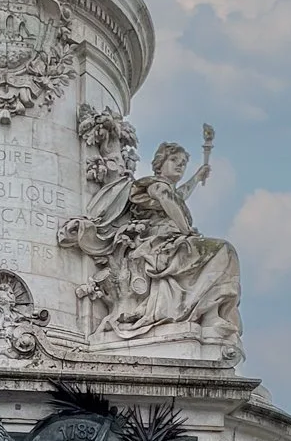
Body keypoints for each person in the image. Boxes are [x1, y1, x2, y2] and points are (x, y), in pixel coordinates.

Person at [60, 140, 242, 351]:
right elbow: (168, 200)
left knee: (223, 254)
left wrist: (196, 178)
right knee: (223, 251)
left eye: (183, 162)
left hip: (170, 241)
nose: (180, 165)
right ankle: (210, 316)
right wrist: (187, 231)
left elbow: (178, 197)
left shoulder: (165, 189)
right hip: (158, 244)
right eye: (174, 160)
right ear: (159, 163)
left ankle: (211, 315)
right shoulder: (154, 185)